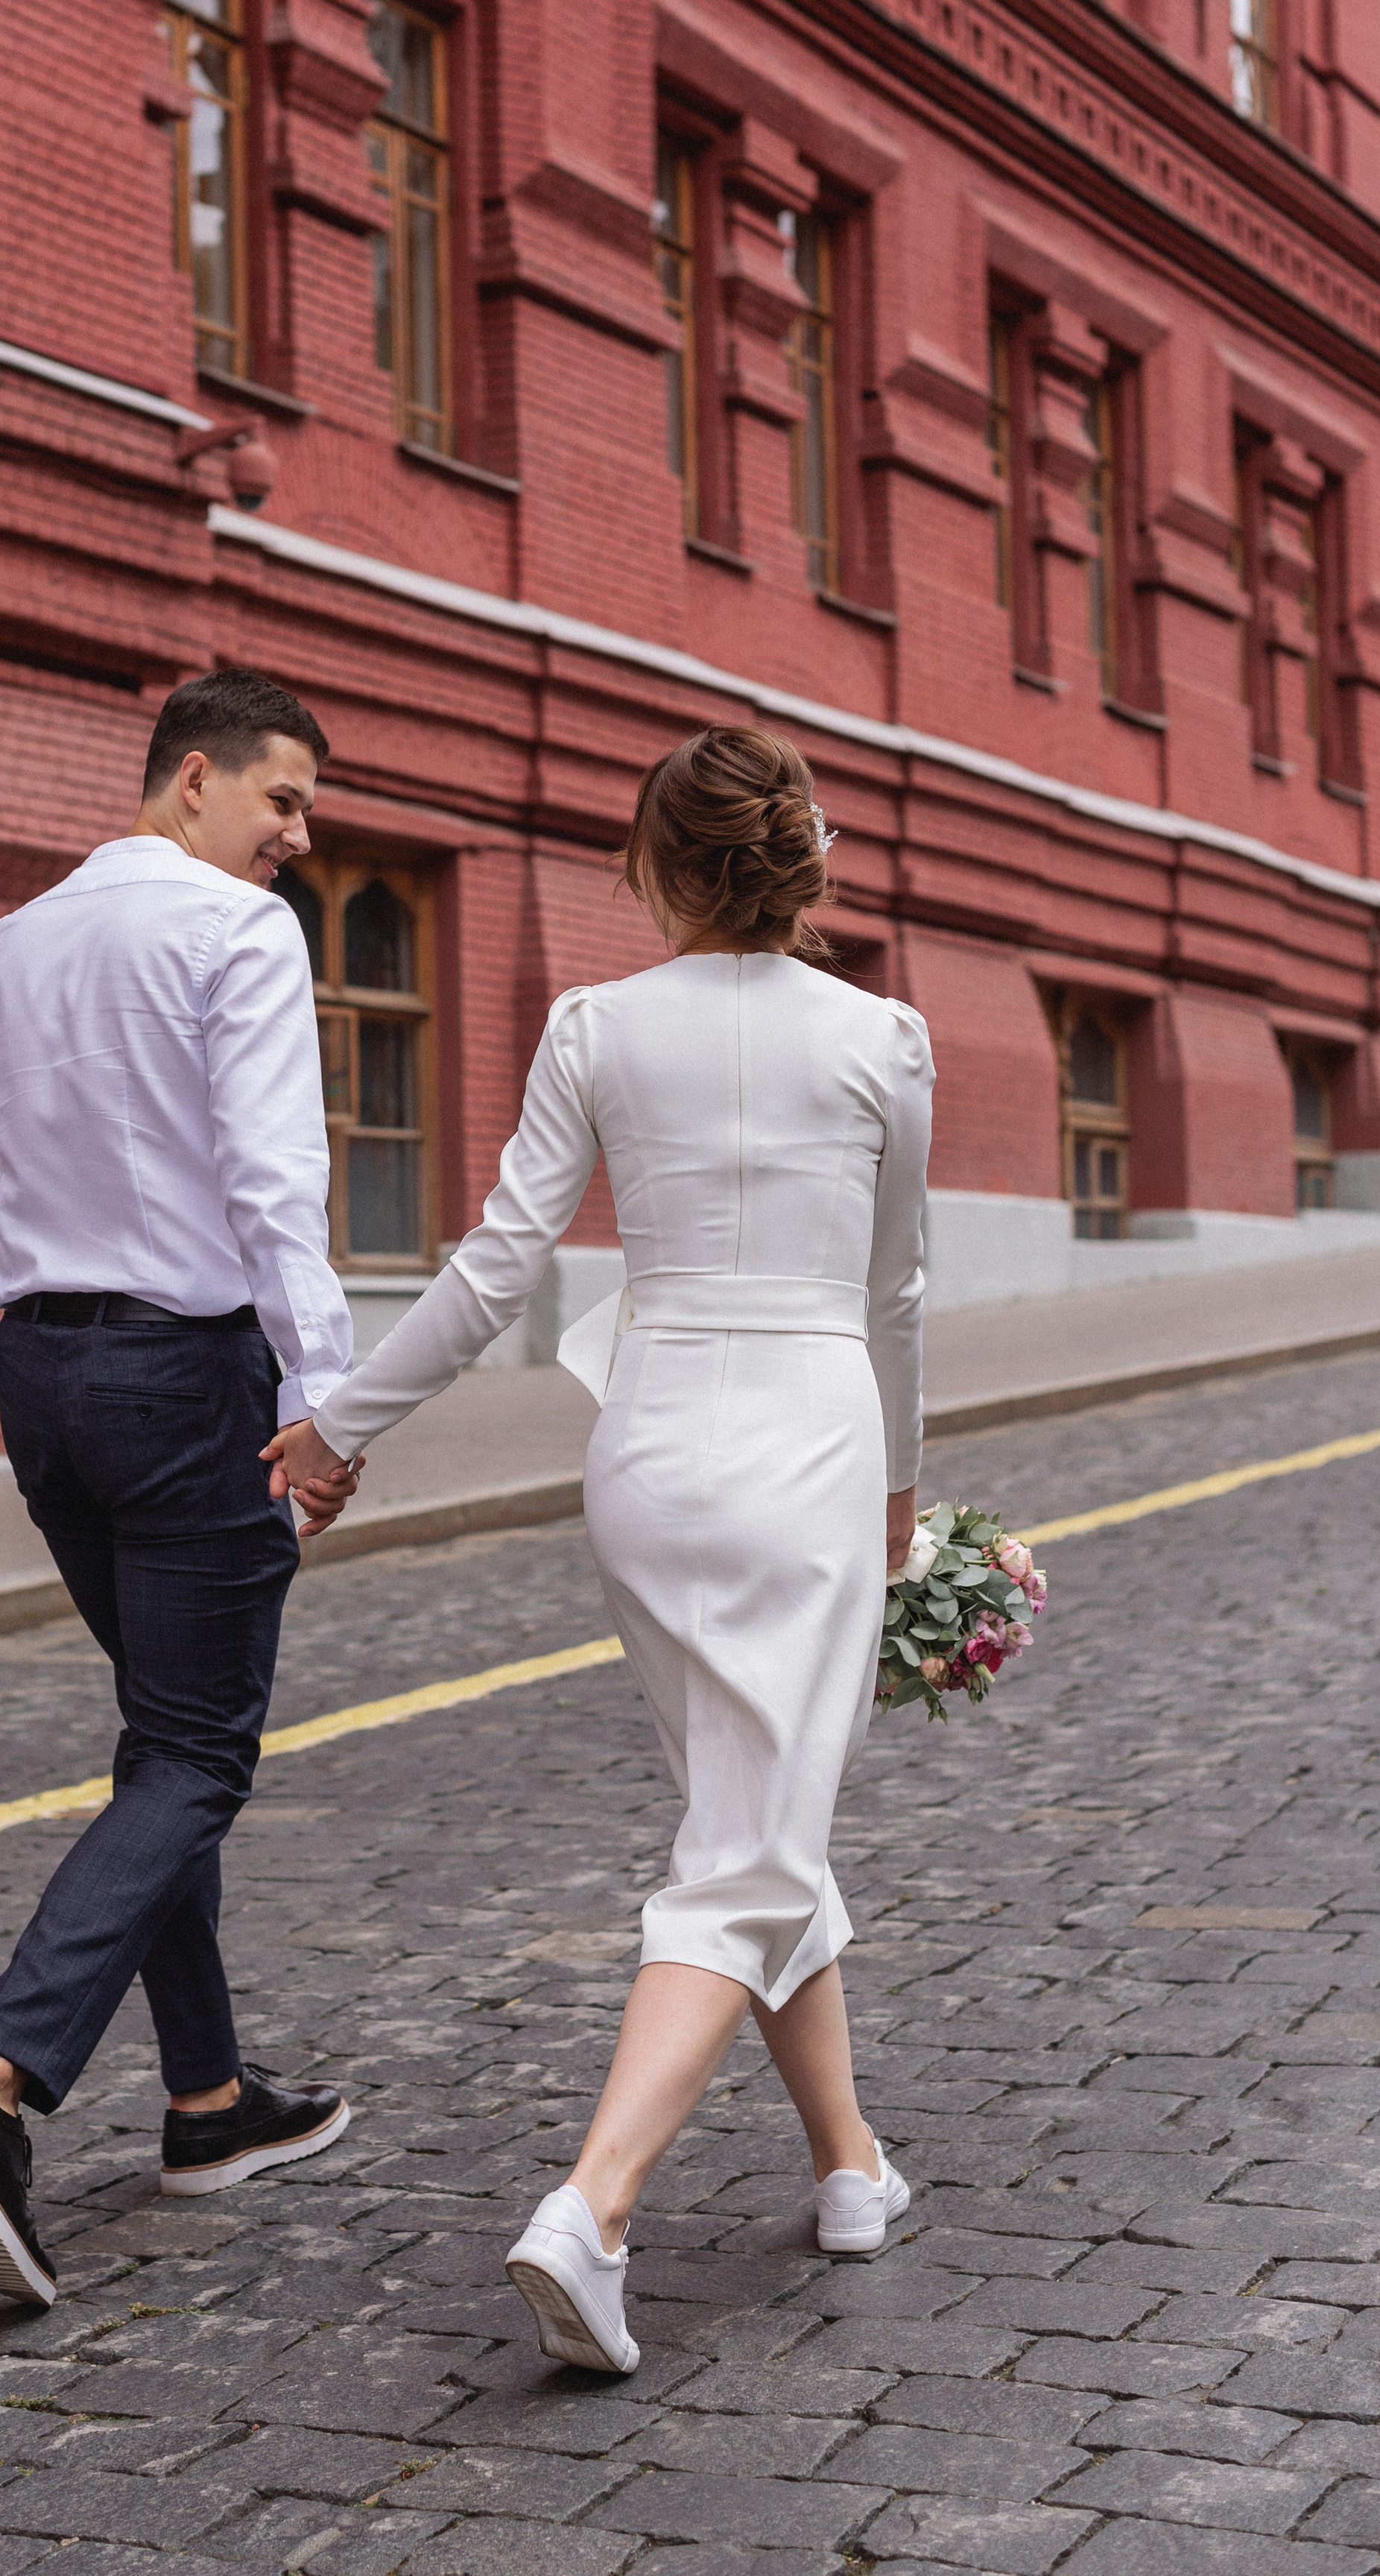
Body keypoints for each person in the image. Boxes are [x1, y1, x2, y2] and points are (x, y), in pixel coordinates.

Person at [267, 724, 932, 2373]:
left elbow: (500, 1272)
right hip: (810, 1444)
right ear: (800, 859)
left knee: (747, 1808)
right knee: (749, 1839)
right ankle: (594, 2208)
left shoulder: (592, 1027)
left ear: (651, 865)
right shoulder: (885, 1037)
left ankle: (848, 2167)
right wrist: (903, 1488)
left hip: (645, 1451)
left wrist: (344, 1424)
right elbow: (895, 1294)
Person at [0, 669, 364, 2308]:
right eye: (282, 799)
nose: (300, 835)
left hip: (47, 1383)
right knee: (201, 1755)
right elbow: (277, 1187)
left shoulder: (4, 949)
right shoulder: (233, 934)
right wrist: (327, 1406)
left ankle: (210, 2102)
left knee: (163, 1737)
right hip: (184, 1377)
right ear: (193, 781)